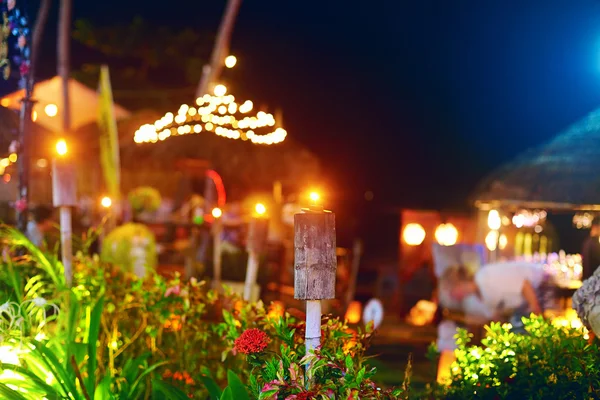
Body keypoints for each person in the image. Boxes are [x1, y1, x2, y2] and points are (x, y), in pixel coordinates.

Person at [442, 261, 557, 332]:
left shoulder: (486, 277)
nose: (452, 297)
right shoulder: (477, 297)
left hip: (541, 289)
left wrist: (538, 316)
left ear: (459, 283)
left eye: (452, 291)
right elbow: (496, 318)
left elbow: (524, 285)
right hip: (524, 304)